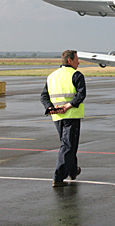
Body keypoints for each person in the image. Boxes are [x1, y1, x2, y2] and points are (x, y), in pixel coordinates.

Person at [41, 50, 86, 187]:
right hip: (71, 115)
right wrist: (69, 105)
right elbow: (81, 94)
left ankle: (73, 171)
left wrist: (49, 108)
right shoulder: (76, 75)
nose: (78, 62)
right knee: (68, 146)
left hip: (57, 116)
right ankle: (58, 177)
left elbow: (44, 96)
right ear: (69, 61)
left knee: (67, 144)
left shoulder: (51, 76)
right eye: (77, 59)